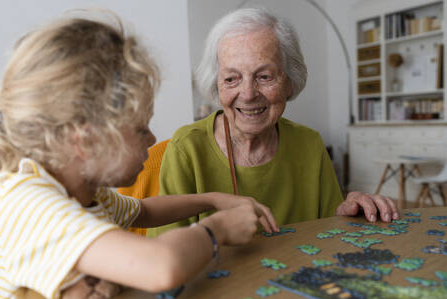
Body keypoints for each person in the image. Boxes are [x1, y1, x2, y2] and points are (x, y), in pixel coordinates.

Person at [0, 12, 278, 299]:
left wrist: (212, 200)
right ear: (85, 140)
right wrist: (217, 229)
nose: (152, 139)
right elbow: (161, 265)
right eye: (140, 129)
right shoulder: (27, 205)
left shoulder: (84, 193)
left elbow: (146, 212)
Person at [148, 7, 398, 237]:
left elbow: (329, 233)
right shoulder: (187, 149)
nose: (247, 94)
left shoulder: (309, 144)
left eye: (264, 76)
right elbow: (161, 257)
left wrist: (350, 212)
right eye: (231, 79)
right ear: (216, 84)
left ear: (290, 81)